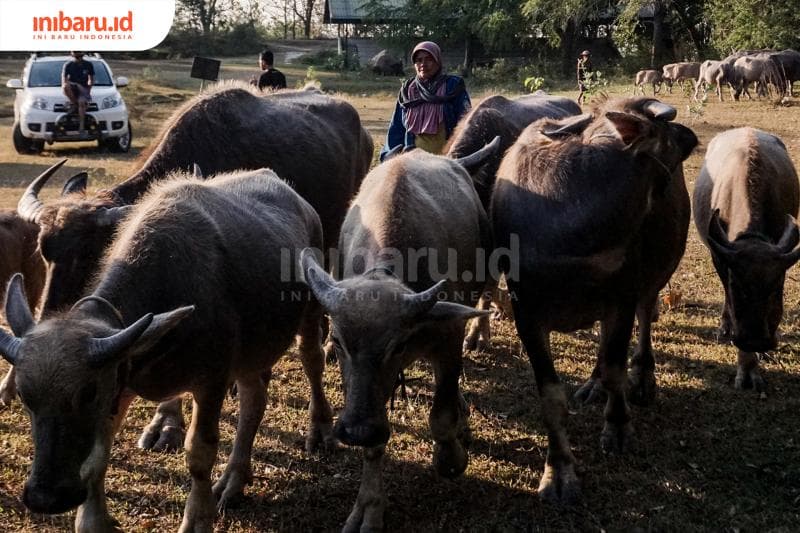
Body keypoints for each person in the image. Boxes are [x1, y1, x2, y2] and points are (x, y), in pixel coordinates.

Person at [380, 41, 471, 161]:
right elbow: (396, 127)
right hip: (413, 161)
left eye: (429, 59)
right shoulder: (407, 90)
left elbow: (466, 123)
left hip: (447, 160)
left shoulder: (453, 86)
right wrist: (388, 155)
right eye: (419, 60)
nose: (423, 64)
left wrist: (463, 154)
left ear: (437, 61)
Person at [62, 51, 94, 135]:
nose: (78, 56)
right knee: (65, 86)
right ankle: (75, 104)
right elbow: (64, 81)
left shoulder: (88, 64)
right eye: (75, 53)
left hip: (84, 89)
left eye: (79, 54)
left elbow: (91, 79)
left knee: (82, 102)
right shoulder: (68, 65)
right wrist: (76, 85)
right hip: (72, 89)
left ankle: (81, 126)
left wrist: (88, 90)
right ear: (72, 54)